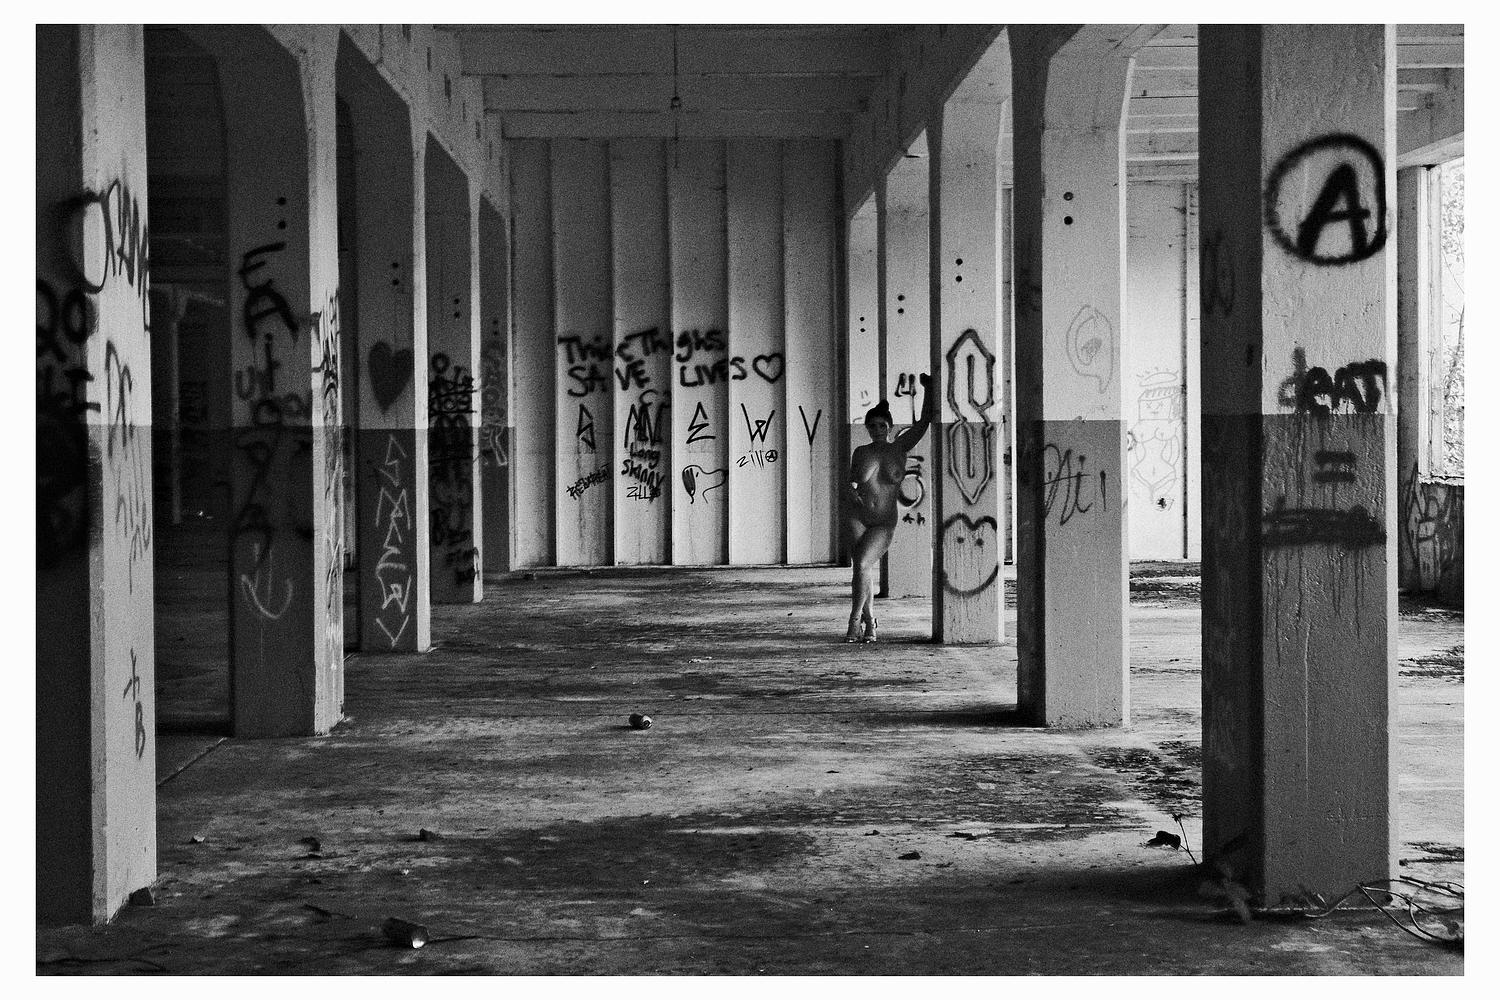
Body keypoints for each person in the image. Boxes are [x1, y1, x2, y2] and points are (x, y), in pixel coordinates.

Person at [844, 374, 933, 642]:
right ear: (867, 428)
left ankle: (854, 620)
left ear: (890, 427)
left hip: (884, 521)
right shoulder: (861, 451)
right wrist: (851, 490)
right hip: (857, 517)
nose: (877, 430)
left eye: (882, 425)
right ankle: (870, 622)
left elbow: (924, 422)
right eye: (872, 426)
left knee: (862, 563)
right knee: (862, 569)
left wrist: (929, 389)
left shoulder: (900, 448)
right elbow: (850, 481)